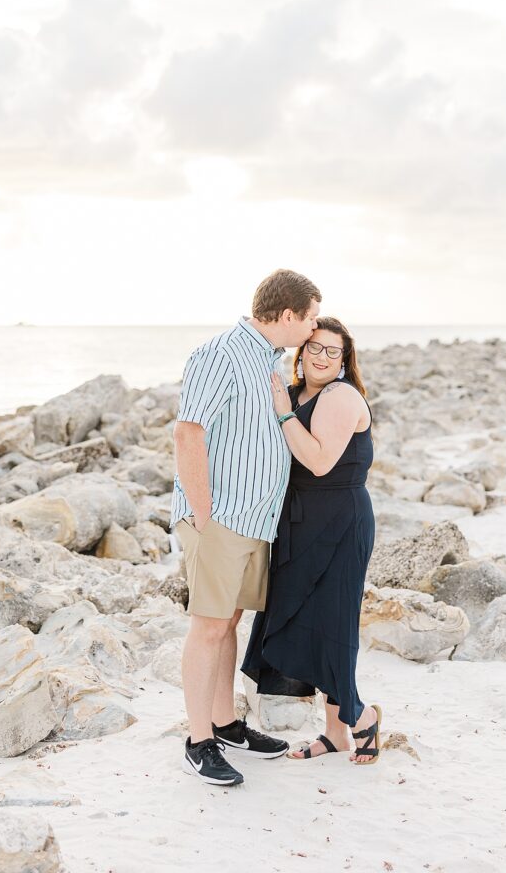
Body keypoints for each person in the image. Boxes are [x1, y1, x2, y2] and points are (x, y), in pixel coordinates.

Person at [171, 268, 322, 786]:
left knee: (229, 621)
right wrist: (203, 513)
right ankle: (198, 741)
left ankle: (227, 723)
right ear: (286, 315)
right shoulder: (221, 354)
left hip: (254, 519)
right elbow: (188, 432)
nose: (312, 329)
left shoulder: (268, 364)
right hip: (220, 518)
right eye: (310, 319)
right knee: (209, 625)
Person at [241, 317, 381, 765]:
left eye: (332, 351)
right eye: (314, 347)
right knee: (307, 621)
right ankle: (335, 734)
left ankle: (361, 716)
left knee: (334, 625)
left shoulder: (341, 396)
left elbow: (319, 462)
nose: (321, 357)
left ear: (345, 359)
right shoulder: (298, 392)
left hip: (340, 521)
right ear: (301, 350)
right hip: (297, 522)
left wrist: (282, 410)